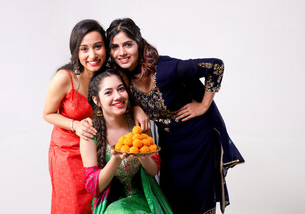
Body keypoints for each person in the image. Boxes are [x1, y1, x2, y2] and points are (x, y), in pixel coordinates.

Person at [105, 18, 245, 214]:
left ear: (139, 42)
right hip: (171, 143)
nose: (122, 52)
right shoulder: (122, 78)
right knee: (172, 197)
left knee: (198, 199)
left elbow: (216, 66)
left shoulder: (166, 69)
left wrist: (204, 105)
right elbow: (110, 98)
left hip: (198, 140)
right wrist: (135, 107)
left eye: (128, 44)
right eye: (115, 47)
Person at [80, 69, 173, 214]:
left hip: (146, 199)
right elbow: (94, 187)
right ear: (96, 100)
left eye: (121, 89)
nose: (117, 96)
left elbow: (154, 170)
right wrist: (116, 158)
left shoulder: (139, 122)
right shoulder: (89, 132)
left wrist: (143, 157)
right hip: (112, 203)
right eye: (108, 92)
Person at [42, 19, 109, 214]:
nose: (92, 55)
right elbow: (47, 113)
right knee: (72, 206)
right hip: (66, 153)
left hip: (96, 151)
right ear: (76, 52)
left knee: (95, 205)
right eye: (84, 49)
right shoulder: (64, 77)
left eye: (98, 47)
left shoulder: (106, 77)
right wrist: (75, 125)